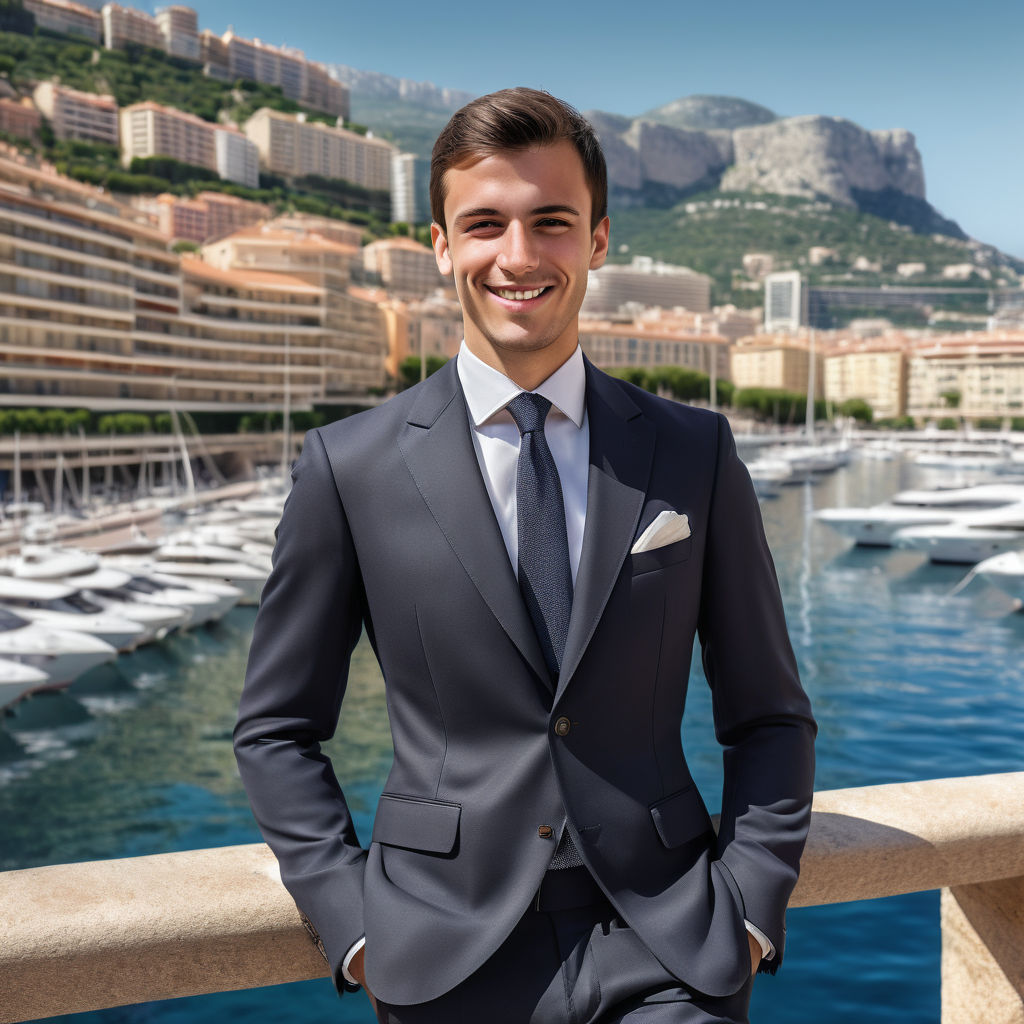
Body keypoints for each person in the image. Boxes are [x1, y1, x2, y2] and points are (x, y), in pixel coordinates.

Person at [234, 87, 816, 1024]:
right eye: (484, 224)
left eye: (551, 222)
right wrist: (351, 924)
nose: (518, 256)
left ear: (598, 239)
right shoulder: (348, 467)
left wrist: (747, 908)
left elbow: (771, 717)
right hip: (442, 951)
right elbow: (275, 730)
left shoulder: (695, 452)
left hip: (668, 942)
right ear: (439, 246)